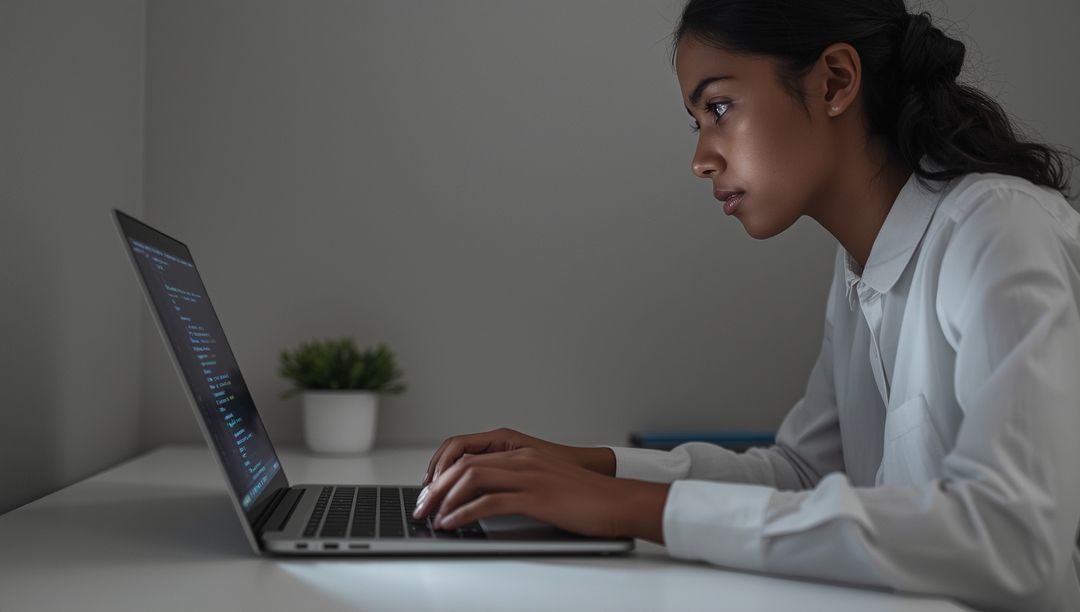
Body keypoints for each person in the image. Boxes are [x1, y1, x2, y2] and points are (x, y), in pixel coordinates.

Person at [411, 1, 1080, 609]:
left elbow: (1014, 542)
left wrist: (630, 506)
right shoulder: (861, 269)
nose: (701, 158)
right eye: (697, 120)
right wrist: (587, 467)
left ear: (836, 81)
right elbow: (803, 473)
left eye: (720, 108)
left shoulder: (999, 230)